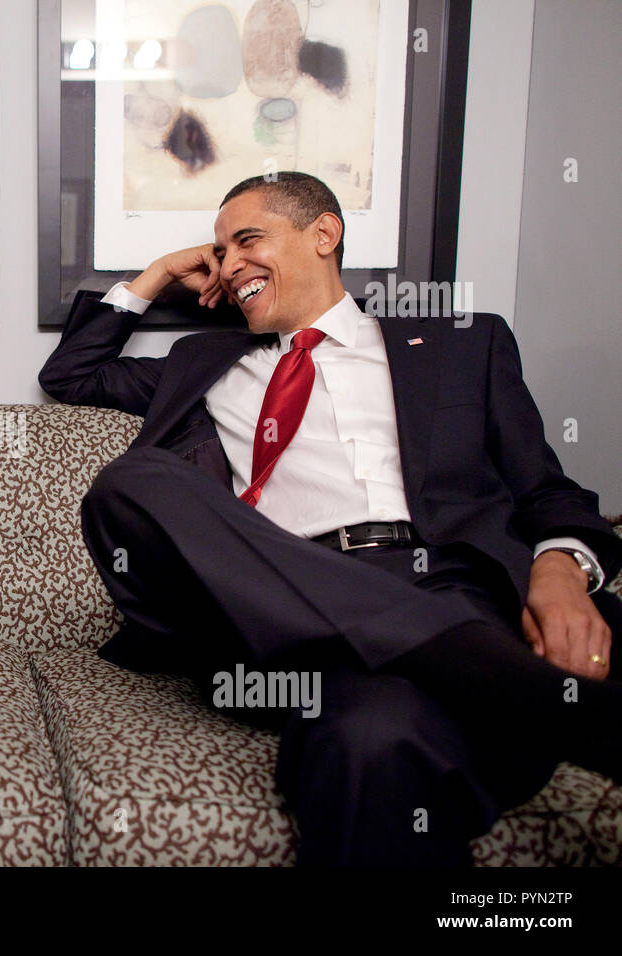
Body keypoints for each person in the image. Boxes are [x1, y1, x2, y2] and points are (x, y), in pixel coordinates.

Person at [39, 171, 622, 866]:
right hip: (279, 609)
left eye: (248, 240)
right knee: (130, 486)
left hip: (449, 588)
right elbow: (70, 375)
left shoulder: (465, 344)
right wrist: (160, 272)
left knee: (368, 742)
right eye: (220, 253)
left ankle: (476, 671)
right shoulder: (203, 362)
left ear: (324, 233)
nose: (228, 265)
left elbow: (548, 493)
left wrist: (560, 569)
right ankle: (529, 691)